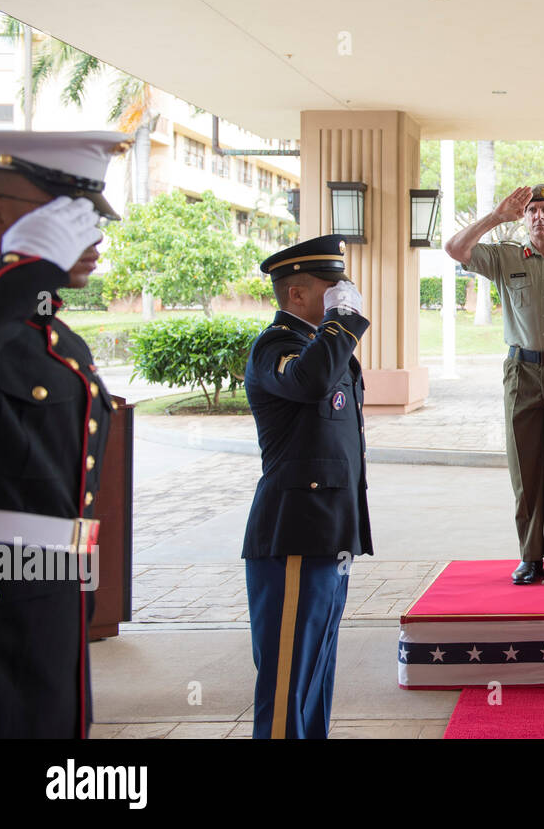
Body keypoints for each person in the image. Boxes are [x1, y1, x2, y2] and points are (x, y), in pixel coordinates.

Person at [0, 131, 128, 738]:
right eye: (66, 217)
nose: (92, 237)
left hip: (46, 581)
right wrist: (21, 273)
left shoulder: (54, 335)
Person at [243, 234, 372, 738]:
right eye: (332, 287)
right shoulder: (276, 347)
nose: (344, 295)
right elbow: (312, 381)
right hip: (293, 535)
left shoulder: (319, 346)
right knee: (287, 682)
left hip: (328, 533)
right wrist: (343, 324)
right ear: (296, 295)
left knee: (315, 672)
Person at [445, 184, 544, 585]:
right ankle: (530, 557)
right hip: (522, 373)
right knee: (524, 467)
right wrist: (496, 217)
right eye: (532, 210)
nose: (538, 216)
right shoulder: (506, 257)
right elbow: (455, 249)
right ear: (525, 216)